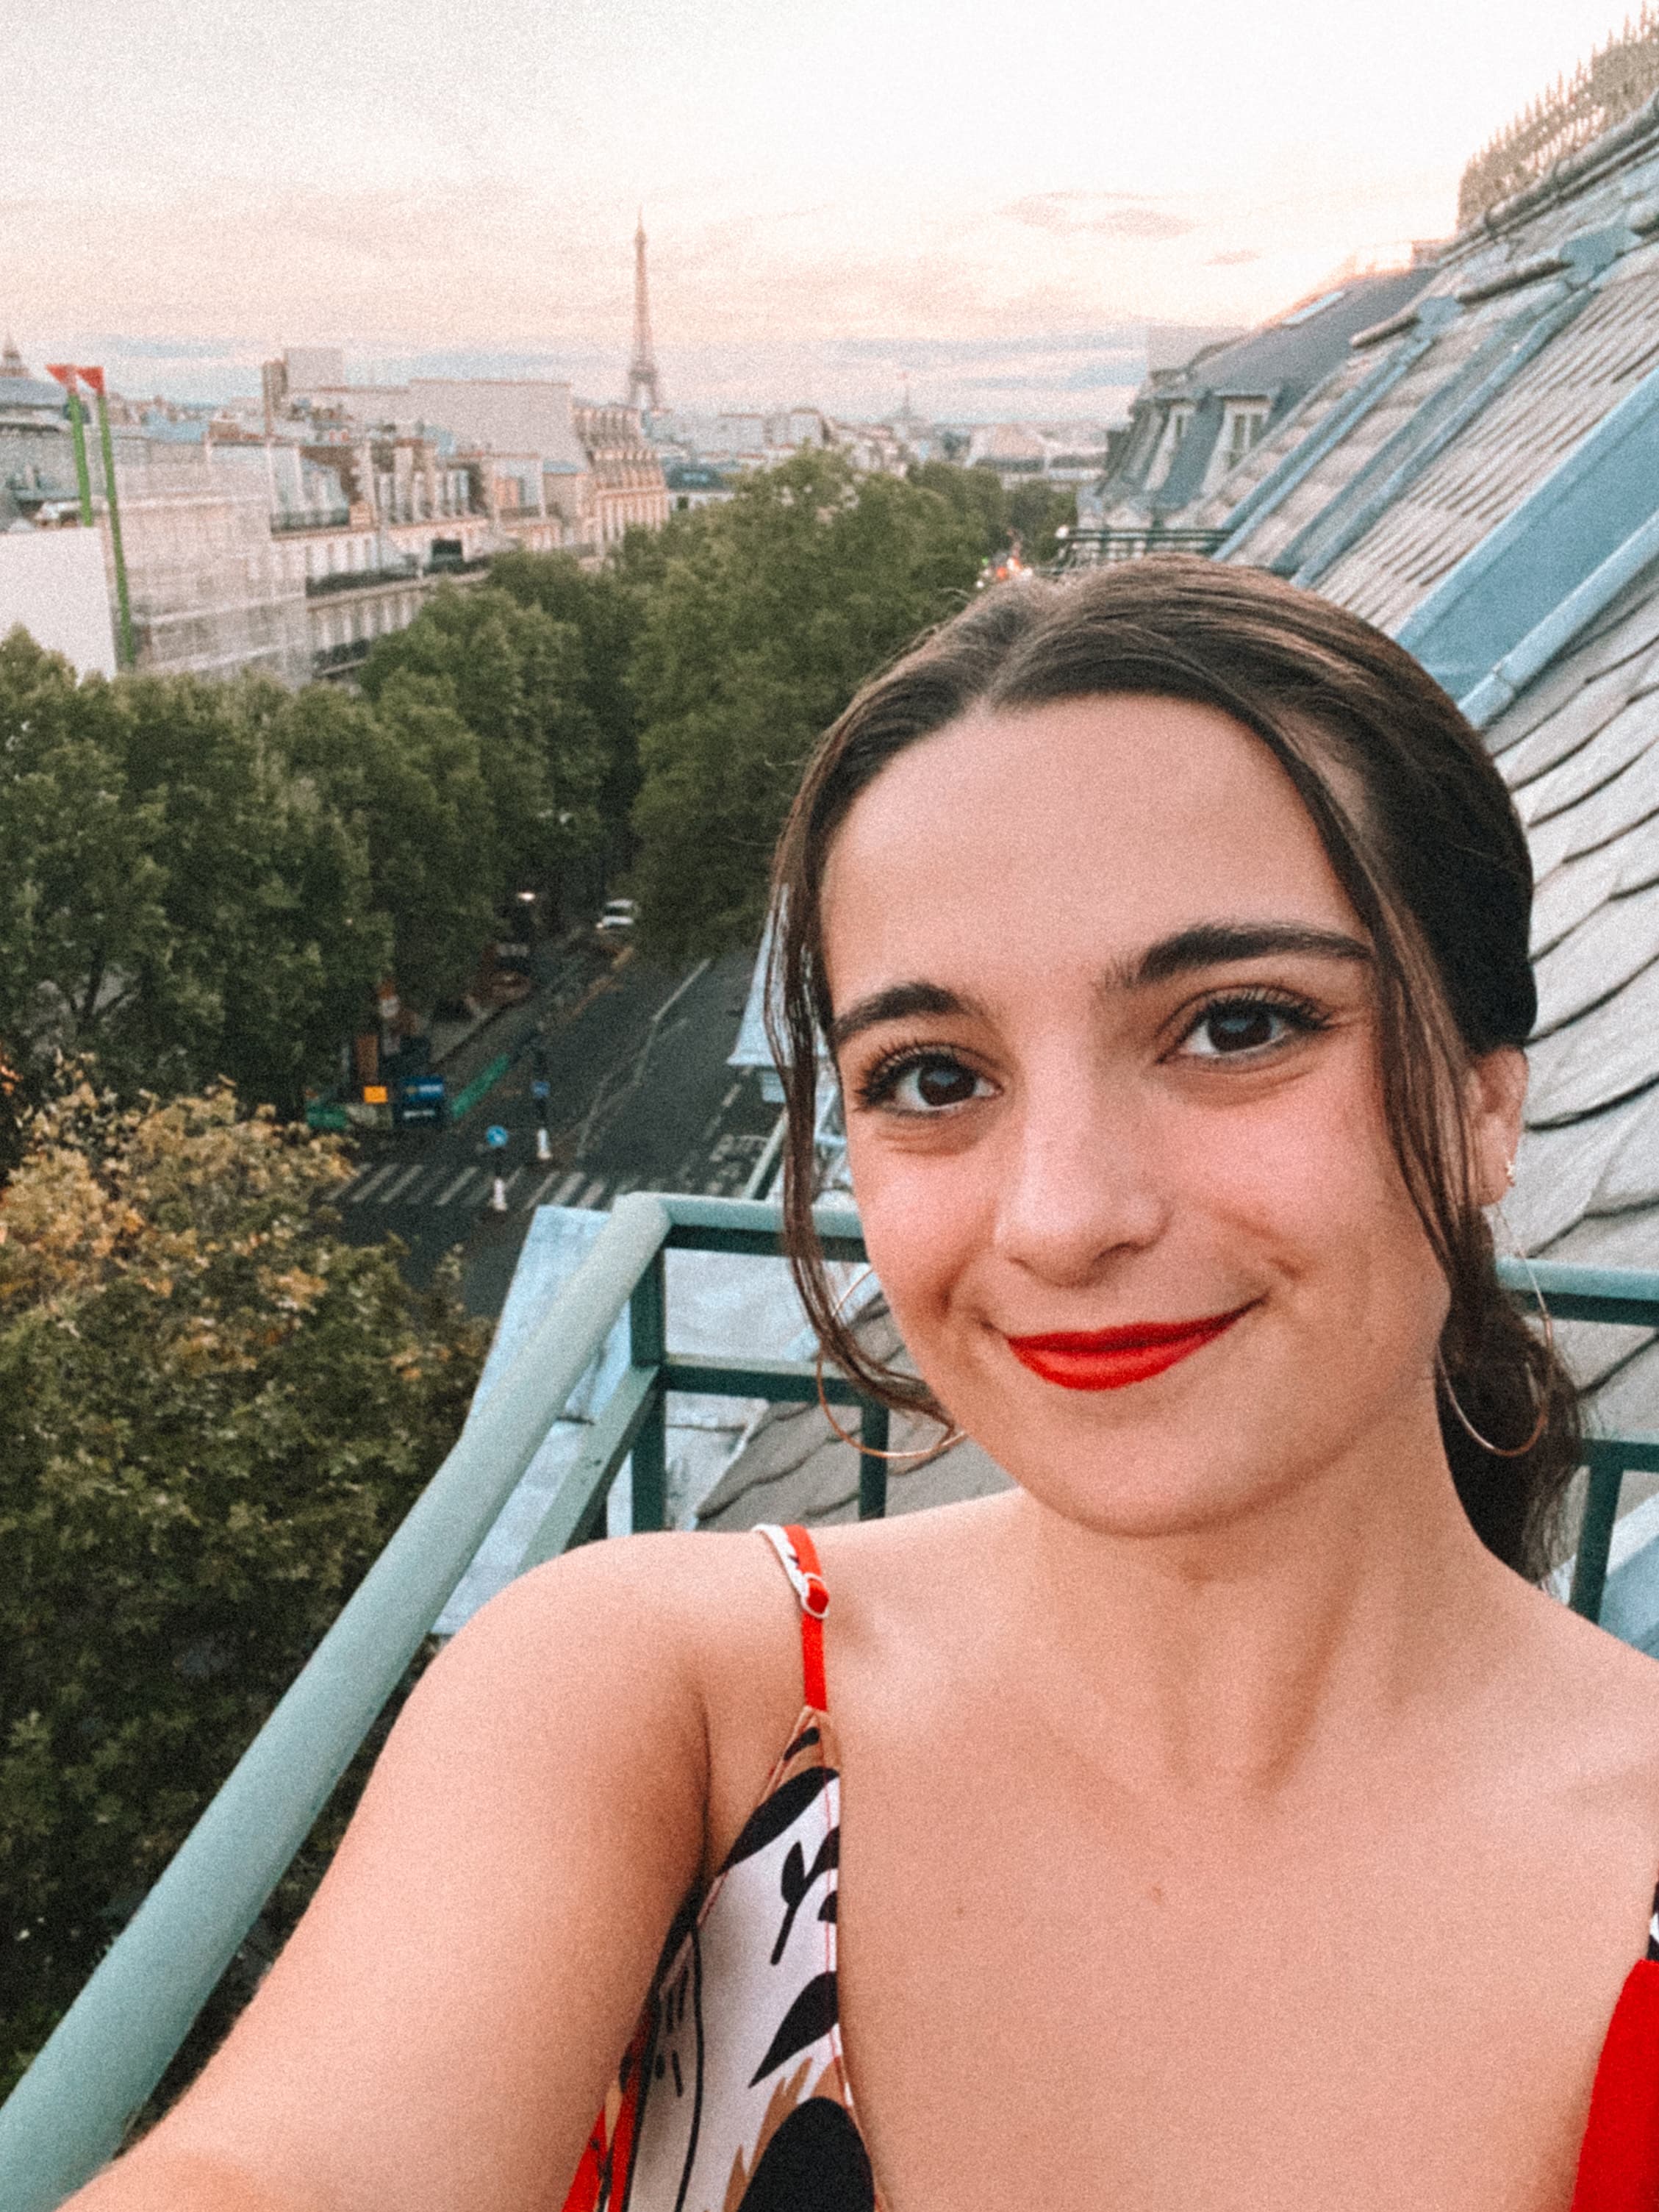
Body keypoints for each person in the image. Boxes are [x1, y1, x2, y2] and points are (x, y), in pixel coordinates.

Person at [75, 559, 1659, 2212]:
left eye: (1238, 1023)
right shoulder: (653, 1697)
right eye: (933, 1076)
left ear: (1487, 1100)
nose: (1061, 1213)